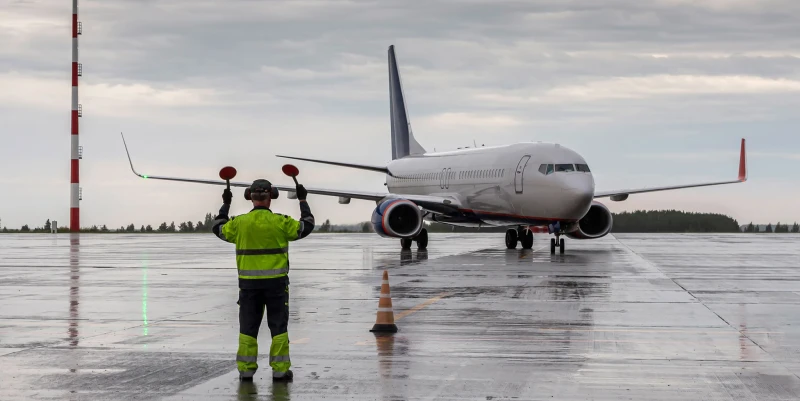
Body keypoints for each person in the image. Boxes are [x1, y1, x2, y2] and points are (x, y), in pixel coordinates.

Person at [212, 179, 314, 382]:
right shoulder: (281, 222)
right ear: (271, 197)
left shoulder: (239, 224)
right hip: (276, 285)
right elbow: (307, 225)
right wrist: (302, 200)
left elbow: (218, 227)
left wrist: (226, 204)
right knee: (278, 328)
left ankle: (246, 370)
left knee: (248, 328)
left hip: (249, 287)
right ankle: (280, 370)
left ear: (250, 197)